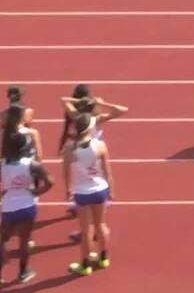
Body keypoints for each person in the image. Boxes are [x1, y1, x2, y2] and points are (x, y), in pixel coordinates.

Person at [63, 113, 113, 276]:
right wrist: (111, 189)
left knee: (86, 230)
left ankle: (85, 265)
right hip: (100, 190)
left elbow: (66, 173)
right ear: (90, 128)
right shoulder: (100, 145)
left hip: (82, 192)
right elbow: (107, 170)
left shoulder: (70, 149)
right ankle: (104, 258)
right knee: (101, 225)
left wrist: (68, 189)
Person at [1, 130, 53, 284]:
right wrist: (37, 192)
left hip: (9, 207)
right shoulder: (32, 164)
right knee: (24, 240)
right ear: (24, 148)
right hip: (28, 206)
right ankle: (23, 272)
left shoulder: (2, 164)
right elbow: (50, 181)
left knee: (2, 239)